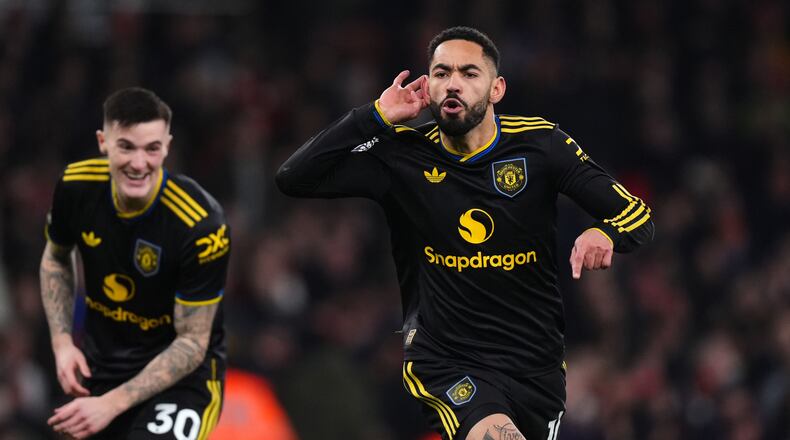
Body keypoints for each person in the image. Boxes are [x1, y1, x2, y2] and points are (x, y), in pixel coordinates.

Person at [276, 26, 654, 440]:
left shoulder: (540, 145)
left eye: (469, 73)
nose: (453, 83)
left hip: (536, 368)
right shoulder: (402, 155)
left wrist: (606, 233)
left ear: (497, 89)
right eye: (441, 73)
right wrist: (374, 116)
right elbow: (295, 177)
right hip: (447, 361)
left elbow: (636, 216)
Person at [40, 87, 231, 439]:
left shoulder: (201, 226)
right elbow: (56, 256)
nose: (139, 163)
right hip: (103, 371)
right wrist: (62, 343)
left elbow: (191, 343)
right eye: (126, 146)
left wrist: (110, 405)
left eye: (152, 148)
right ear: (103, 142)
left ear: (167, 147)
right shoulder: (76, 186)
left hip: (184, 383)